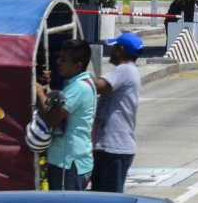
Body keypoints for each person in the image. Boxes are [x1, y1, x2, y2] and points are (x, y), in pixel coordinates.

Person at [36, 39, 96, 191]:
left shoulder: (79, 88)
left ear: (78, 66)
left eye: (64, 59)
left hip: (69, 164)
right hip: (67, 161)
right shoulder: (76, 83)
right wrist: (45, 87)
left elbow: (52, 118)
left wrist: (38, 92)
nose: (58, 62)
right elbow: (56, 106)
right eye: (59, 57)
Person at [92, 32, 144, 193]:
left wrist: (80, 70)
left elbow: (99, 86)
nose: (111, 50)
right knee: (100, 198)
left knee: (108, 201)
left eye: (113, 46)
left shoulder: (125, 70)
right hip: (109, 148)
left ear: (120, 49)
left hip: (115, 149)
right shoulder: (128, 70)